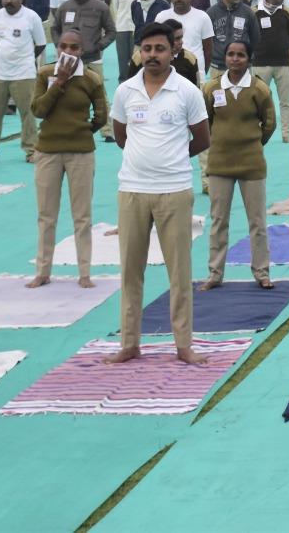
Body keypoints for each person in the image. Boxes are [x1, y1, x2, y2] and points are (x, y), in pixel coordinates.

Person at [109, 22, 209, 365]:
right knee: (130, 271)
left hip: (175, 190)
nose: (153, 55)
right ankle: (129, 343)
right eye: (147, 49)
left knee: (179, 272)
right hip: (133, 190)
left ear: (173, 52)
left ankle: (183, 345)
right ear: (139, 51)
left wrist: (172, 161)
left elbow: (202, 139)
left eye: (160, 49)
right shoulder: (125, 91)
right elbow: (121, 136)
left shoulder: (187, 92)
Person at [28, 30, 108, 288]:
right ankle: (43, 271)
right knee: (46, 215)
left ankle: (84, 273)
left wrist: (82, 131)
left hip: (81, 152)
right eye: (64, 46)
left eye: (74, 47)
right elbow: (39, 110)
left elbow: (101, 115)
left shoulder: (91, 79)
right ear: (57, 48)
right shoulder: (44, 74)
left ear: (82, 50)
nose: (69, 52)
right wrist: (59, 82)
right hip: (47, 151)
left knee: (82, 216)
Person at [201, 40, 276, 291]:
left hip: (252, 163)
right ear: (225, 58)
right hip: (219, 164)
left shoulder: (259, 89)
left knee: (257, 222)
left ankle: (262, 272)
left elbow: (269, 124)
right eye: (231, 54)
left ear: (248, 59)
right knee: (218, 220)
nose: (235, 59)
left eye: (241, 55)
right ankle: (215, 273)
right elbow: (206, 122)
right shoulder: (211, 88)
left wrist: (253, 143)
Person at [0, 0, 46, 163]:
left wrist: (25, 58)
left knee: (27, 114)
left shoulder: (31, 17)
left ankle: (31, 150)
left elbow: (41, 44)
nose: (9, 1)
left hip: (24, 74)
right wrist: (4, 59)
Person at [249, 0, 289, 143]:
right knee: (258, 101)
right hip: (261, 64)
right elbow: (250, 37)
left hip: (284, 63)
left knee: (286, 102)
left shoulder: (287, 13)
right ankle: (256, 132)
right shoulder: (254, 13)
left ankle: (286, 134)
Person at [154, 0, 215, 73]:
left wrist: (202, 72)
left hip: (196, 73)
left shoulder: (203, 17)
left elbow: (208, 50)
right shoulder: (161, 17)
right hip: (167, 74)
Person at [206, 0, 260, 78]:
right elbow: (207, 41)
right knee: (218, 94)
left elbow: (255, 39)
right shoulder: (211, 13)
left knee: (244, 94)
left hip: (243, 67)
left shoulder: (248, 12)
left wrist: (248, 58)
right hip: (218, 68)